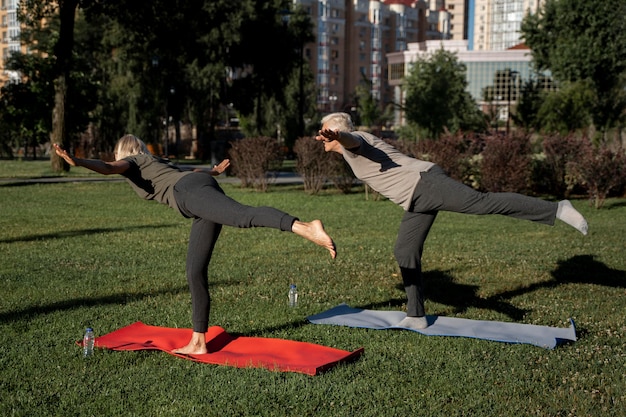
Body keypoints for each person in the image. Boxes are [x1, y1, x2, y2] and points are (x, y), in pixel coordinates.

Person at [54, 135, 336, 354]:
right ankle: (198, 341)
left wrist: (77, 161)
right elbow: (192, 172)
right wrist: (212, 172)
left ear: (123, 152)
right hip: (197, 191)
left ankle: (304, 226)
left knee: (240, 216)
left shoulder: (134, 162)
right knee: (194, 271)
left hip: (188, 193)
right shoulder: (158, 161)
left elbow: (106, 167)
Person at [316, 112, 587, 330]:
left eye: (326, 131)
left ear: (337, 133)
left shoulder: (355, 143)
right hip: (416, 198)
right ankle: (416, 315)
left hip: (426, 184)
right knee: (405, 250)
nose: (322, 136)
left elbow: (353, 140)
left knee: (482, 203)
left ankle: (556, 209)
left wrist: (340, 135)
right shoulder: (353, 149)